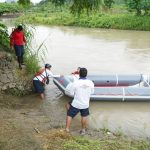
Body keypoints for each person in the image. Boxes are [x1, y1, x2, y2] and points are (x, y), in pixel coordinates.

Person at [65, 67, 94, 135]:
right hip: (85, 104)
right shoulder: (90, 82)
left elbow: (71, 93)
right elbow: (92, 92)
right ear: (86, 74)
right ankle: (83, 130)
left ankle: (67, 129)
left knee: (69, 115)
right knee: (84, 116)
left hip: (76, 103)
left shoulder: (76, 82)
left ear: (79, 74)